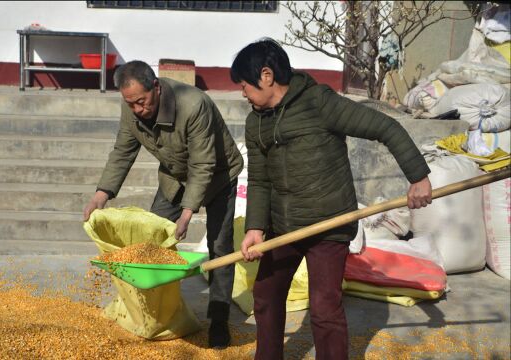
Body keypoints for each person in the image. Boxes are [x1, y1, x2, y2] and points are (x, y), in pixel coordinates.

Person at [231, 39, 433, 359]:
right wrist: (256, 227)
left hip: (329, 225)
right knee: (266, 296)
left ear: (266, 76)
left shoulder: (319, 103)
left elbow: (386, 127)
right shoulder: (256, 121)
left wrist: (418, 177)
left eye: (244, 85)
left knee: (325, 309)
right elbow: (259, 178)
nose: (243, 93)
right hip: (286, 225)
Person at [83, 60, 244, 349]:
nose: (137, 109)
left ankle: (219, 320)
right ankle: (156, 315)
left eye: (142, 102)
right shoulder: (131, 104)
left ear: (156, 87)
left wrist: (187, 213)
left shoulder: (194, 105)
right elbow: (123, 149)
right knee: (151, 242)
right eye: (130, 103)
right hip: (174, 176)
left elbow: (203, 163)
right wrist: (102, 192)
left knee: (220, 246)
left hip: (219, 176)